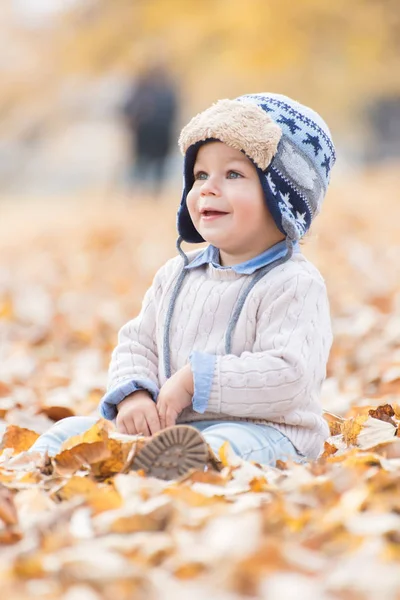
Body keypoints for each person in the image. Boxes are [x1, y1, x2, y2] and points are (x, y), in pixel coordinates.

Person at [30, 93, 336, 480]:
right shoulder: (176, 276)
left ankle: (188, 468)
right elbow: (137, 343)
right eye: (200, 175)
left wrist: (195, 381)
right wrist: (134, 394)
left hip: (269, 431)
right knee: (70, 432)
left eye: (234, 174)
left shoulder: (293, 283)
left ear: (284, 200)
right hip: (170, 430)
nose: (207, 188)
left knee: (229, 445)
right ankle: (33, 472)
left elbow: (290, 375)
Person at [122, 63, 179, 197]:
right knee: (145, 164)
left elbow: (127, 109)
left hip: (154, 133)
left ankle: (145, 193)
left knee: (149, 164)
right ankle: (142, 192)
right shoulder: (164, 91)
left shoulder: (143, 90)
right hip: (150, 134)